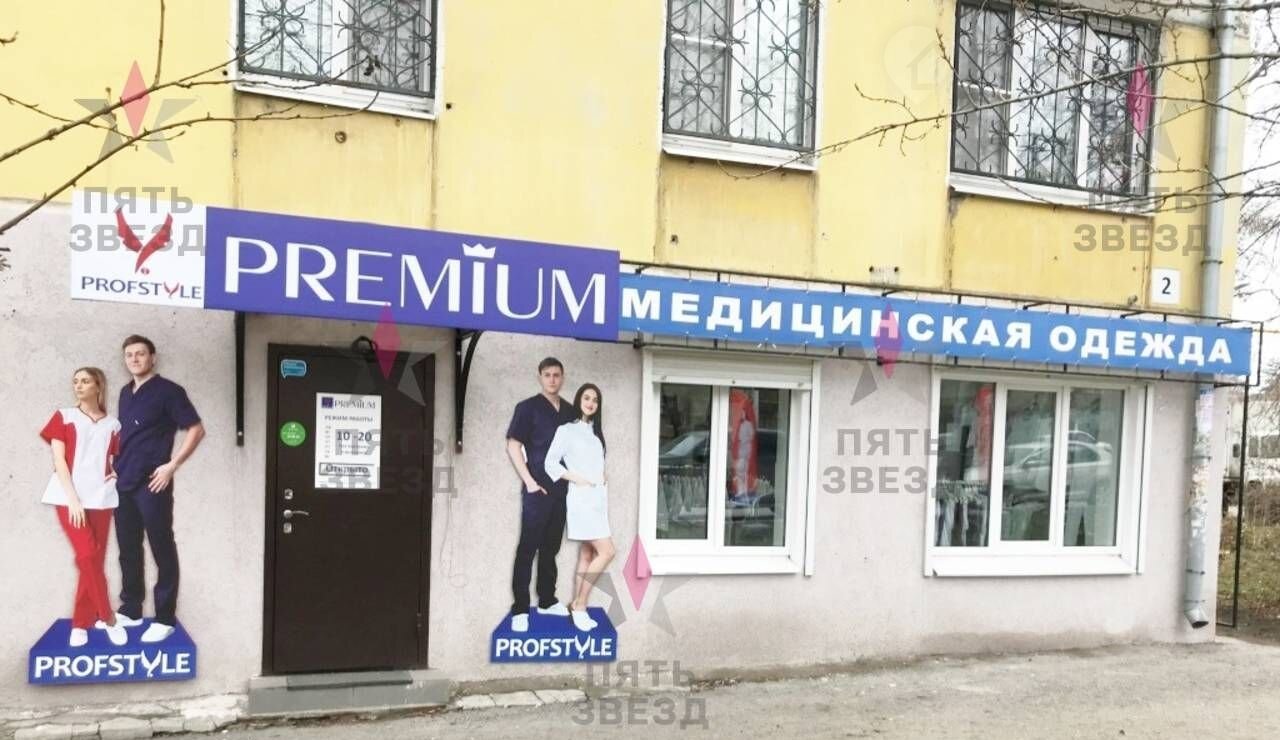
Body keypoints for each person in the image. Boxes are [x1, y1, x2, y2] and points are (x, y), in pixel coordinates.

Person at [110, 335, 205, 644]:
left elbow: (196, 429)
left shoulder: (169, 391)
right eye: (129, 355)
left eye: (140, 354)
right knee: (128, 547)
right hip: (123, 481)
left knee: (161, 546)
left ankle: (164, 617)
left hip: (153, 480)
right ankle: (131, 609)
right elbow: (127, 437)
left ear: (152, 358)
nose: (135, 359)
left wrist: (171, 466)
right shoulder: (125, 393)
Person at [39, 368, 129, 648]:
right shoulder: (63, 416)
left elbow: (110, 459)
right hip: (69, 498)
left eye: (85, 381)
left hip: (101, 499)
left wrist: (113, 474)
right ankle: (108, 617)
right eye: (75, 381)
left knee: (93, 563)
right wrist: (73, 500)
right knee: (87, 555)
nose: (78, 385)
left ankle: (80, 624)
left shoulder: (113, 425)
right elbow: (59, 461)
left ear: (98, 386)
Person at [505, 357, 578, 633]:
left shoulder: (570, 411)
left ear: (562, 378)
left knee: (551, 548)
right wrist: (530, 482)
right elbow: (513, 446)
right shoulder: (527, 408)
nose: (552, 379)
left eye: (557, 375)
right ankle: (521, 608)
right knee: (528, 548)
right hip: (536, 491)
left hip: (561, 491)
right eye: (547, 375)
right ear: (540, 377)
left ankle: (547, 600)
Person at [544, 383, 615, 632]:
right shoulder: (567, 430)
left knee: (587, 555)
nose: (591, 403)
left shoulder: (596, 434)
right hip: (582, 500)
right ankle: (580, 606)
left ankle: (577, 603)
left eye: (595, 400)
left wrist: (602, 475)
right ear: (579, 400)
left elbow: (594, 462)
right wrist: (576, 478)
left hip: (598, 500)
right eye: (587, 397)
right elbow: (550, 462)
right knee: (607, 551)